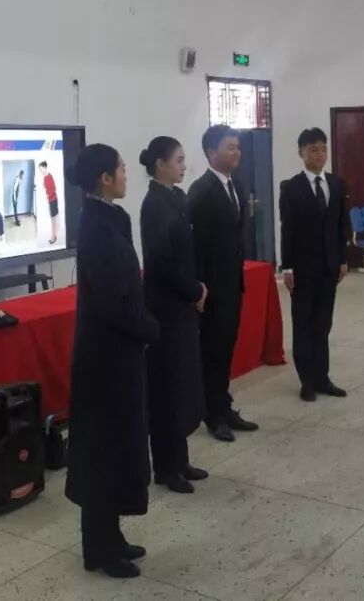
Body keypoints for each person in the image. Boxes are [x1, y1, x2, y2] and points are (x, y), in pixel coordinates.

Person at [64, 144, 159, 580]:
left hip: (118, 353)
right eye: (120, 169)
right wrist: (150, 329)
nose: (125, 174)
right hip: (105, 359)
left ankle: (111, 535)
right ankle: (99, 549)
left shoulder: (108, 219)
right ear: (104, 178)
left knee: (117, 447)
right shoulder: (98, 230)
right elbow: (113, 302)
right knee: (103, 451)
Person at [138, 137, 210, 494]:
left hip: (182, 304)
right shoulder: (153, 204)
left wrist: (196, 288)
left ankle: (180, 460)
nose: (184, 166)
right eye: (178, 160)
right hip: (165, 307)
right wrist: (194, 290)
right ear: (160, 164)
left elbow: (186, 253)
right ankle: (166, 467)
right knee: (166, 388)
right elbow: (161, 263)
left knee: (182, 385)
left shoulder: (177, 198)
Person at [188, 124, 258, 443]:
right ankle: (212, 414)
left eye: (237, 147)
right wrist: (199, 288)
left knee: (225, 348)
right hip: (211, 289)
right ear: (211, 152)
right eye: (230, 147)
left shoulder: (236, 186)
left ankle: (224, 406)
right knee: (211, 352)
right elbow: (195, 246)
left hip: (232, 284)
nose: (236, 153)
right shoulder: (201, 191)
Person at [280, 128, 351, 402]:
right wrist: (288, 267)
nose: (320, 154)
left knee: (323, 324)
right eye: (313, 149)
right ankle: (306, 381)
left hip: (330, 266)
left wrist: (342, 259)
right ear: (301, 153)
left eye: (323, 148)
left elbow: (341, 225)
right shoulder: (291, 187)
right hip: (302, 268)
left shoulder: (336, 184)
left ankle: (323, 377)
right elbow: (287, 229)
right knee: (303, 323)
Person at [39, 161, 59, 244]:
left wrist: (49, 195)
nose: (41, 171)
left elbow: (54, 189)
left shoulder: (49, 177)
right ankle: (53, 236)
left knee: (53, 219)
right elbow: (45, 187)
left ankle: (53, 237)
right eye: (40, 170)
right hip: (50, 200)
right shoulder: (45, 177)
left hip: (53, 200)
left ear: (45, 167)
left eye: (41, 169)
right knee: (52, 219)